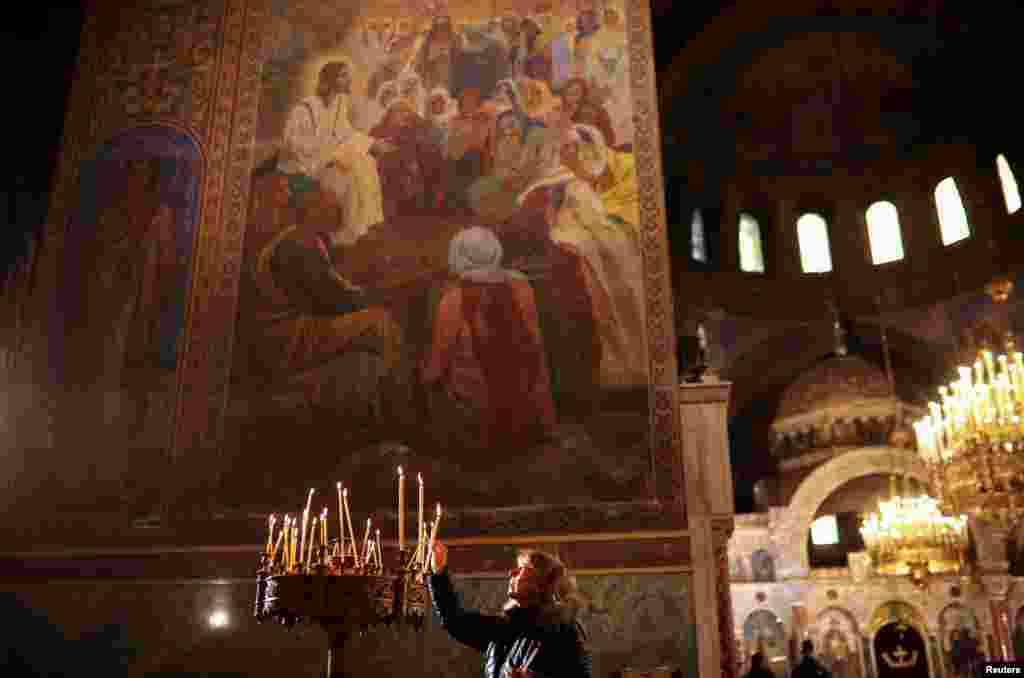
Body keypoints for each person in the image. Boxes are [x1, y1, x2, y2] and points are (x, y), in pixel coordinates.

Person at [428, 540, 593, 678]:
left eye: (521, 569)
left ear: (541, 583)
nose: (511, 573)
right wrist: (439, 571)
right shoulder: (505, 627)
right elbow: (456, 622)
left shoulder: (563, 630)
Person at [277, 59, 397, 247]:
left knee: (367, 162)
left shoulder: (338, 103)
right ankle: (347, 233)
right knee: (350, 174)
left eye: (348, 75)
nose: (349, 80)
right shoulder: (306, 108)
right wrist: (332, 153)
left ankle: (364, 226)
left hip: (326, 162)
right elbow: (293, 144)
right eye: (343, 76)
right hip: (303, 169)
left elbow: (345, 132)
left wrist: (373, 144)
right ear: (329, 80)